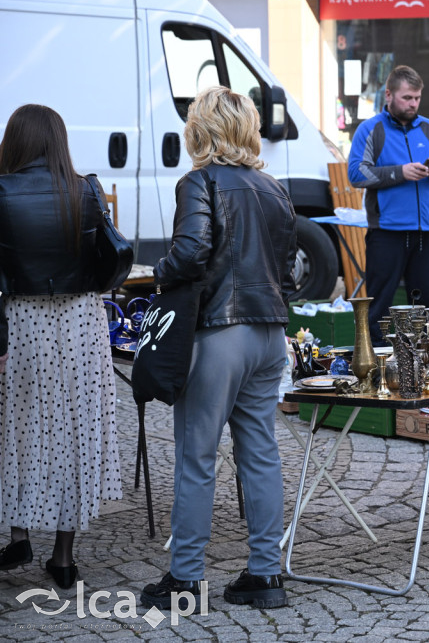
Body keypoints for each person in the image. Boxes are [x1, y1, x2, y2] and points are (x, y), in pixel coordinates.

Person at [140, 87, 297, 610]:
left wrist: (153, 275)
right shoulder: (274, 187)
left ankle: (184, 579)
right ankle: (265, 575)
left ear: (199, 131)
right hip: (269, 333)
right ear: (248, 128)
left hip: (218, 334)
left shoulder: (199, 181)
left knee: (196, 456)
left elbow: (189, 255)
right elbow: (291, 268)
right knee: (261, 455)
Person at [0, 104, 123, 588]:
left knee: (17, 427)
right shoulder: (86, 188)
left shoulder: (1, 192)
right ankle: (64, 559)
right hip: (80, 321)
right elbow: (110, 254)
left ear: (16, 142)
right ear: (58, 141)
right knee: (76, 431)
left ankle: (18, 536)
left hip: (23, 320)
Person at [348, 65, 429, 344]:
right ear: (388, 95)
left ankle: (421, 371)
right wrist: (400, 172)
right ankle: (378, 374)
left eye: (417, 98)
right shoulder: (371, 129)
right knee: (381, 307)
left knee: (425, 308)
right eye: (407, 98)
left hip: (427, 232)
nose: (413, 104)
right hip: (387, 232)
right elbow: (356, 174)